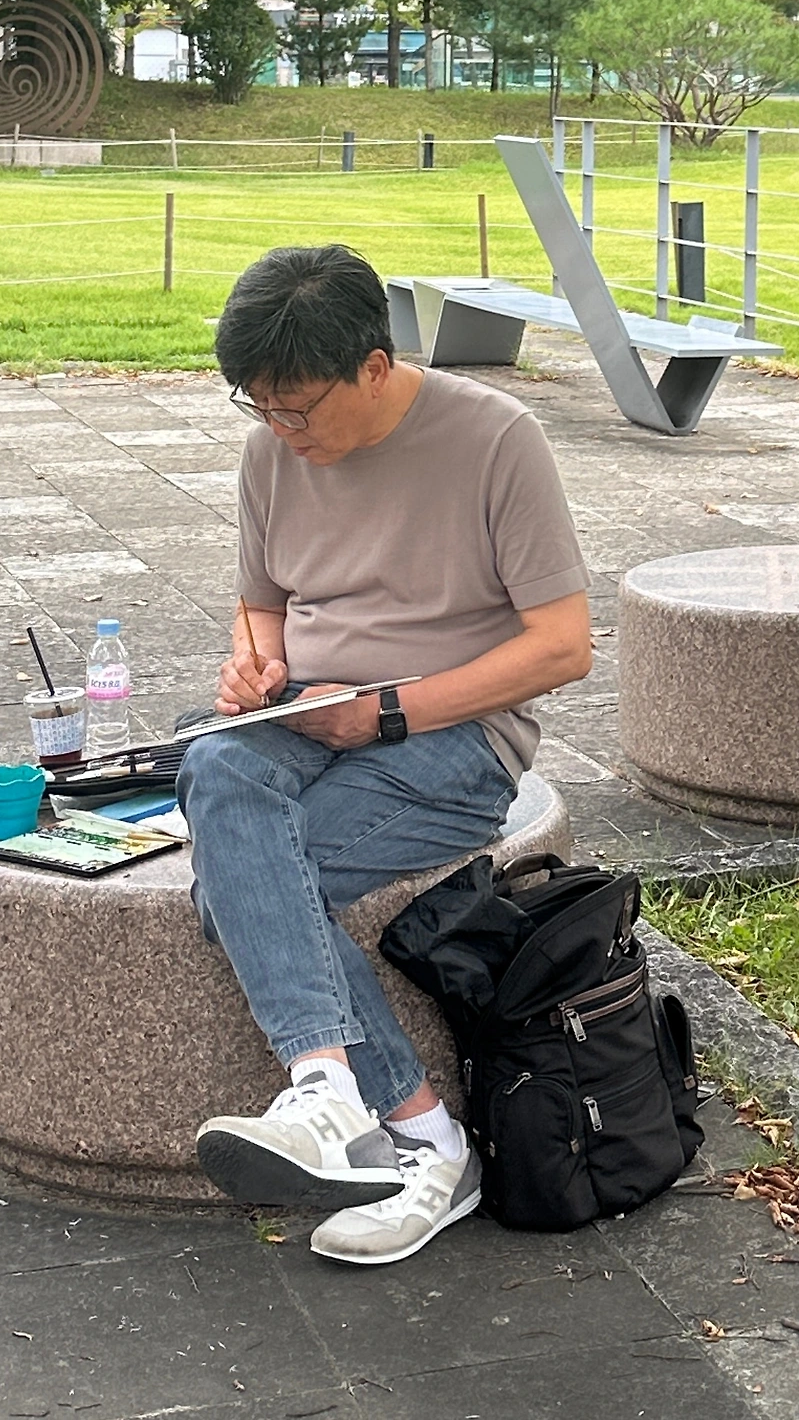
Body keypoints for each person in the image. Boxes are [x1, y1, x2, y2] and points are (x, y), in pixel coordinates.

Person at [177, 245, 592, 1266]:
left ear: (373, 366)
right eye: (258, 408)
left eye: (295, 409)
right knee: (215, 765)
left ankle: (421, 1140)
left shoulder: (496, 440)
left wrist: (386, 713)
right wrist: (255, 668)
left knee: (243, 884)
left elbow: (562, 646)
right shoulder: (271, 451)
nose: (279, 430)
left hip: (452, 738)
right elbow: (260, 604)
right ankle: (328, 1092)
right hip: (304, 715)